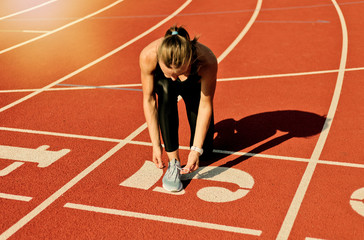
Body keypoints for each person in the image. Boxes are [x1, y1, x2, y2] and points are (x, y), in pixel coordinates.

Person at [139, 25, 217, 192]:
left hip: (194, 87)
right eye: (169, 73)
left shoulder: (207, 60)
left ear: (190, 61)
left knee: (206, 152)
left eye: (179, 73)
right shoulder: (148, 56)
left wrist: (196, 150)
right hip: (165, 91)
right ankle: (173, 162)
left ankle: (199, 146)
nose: (174, 78)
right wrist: (156, 144)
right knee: (166, 90)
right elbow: (149, 100)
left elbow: (205, 104)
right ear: (159, 60)